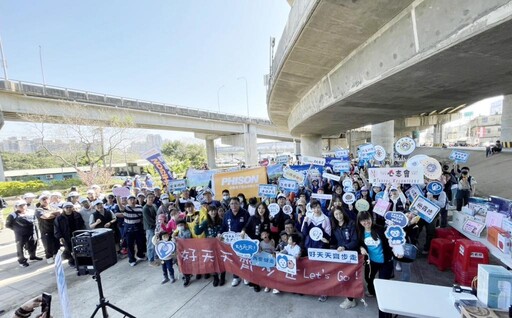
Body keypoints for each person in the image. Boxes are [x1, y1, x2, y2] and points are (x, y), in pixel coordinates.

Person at [357, 211, 400, 318]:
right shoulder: (360, 232)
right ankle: (372, 292)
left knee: (383, 286)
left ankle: (386, 312)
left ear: (371, 218)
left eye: (367, 219)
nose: (366, 222)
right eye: (363, 220)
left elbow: (394, 238)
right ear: (359, 222)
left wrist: (397, 251)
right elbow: (358, 243)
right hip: (371, 262)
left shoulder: (381, 229)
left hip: (385, 262)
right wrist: (361, 248)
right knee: (369, 278)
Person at [330, 207, 358, 309]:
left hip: (351, 255)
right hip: (341, 256)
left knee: (349, 277)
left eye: (340, 213)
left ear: (343, 213)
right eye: (336, 214)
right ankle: (350, 296)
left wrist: (345, 247)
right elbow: (334, 241)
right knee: (345, 277)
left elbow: (355, 241)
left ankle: (351, 300)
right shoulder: (335, 226)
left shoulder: (351, 224)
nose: (338, 216)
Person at [220, 197, 250, 287]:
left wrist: (244, 230)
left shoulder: (245, 213)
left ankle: (245, 276)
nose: (234, 205)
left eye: (236, 203)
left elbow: (248, 224)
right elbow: (224, 227)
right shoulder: (227, 214)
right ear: (229, 205)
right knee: (233, 260)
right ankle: (236, 277)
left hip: (242, 240)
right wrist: (219, 233)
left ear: (239, 204)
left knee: (244, 258)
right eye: (232, 203)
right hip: (231, 241)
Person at [194, 205, 224, 286]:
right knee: (212, 261)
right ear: (208, 212)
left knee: (221, 261)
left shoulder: (221, 220)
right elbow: (197, 232)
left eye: (214, 210)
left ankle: (223, 277)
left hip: (220, 245)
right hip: (210, 245)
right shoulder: (206, 222)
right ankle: (215, 277)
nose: (213, 212)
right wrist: (196, 223)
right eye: (211, 211)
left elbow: (224, 229)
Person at [6, 200, 41, 267]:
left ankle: (32, 256)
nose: (23, 207)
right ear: (16, 207)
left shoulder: (31, 212)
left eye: (24, 205)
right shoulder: (12, 215)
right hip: (20, 234)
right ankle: (22, 261)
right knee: (20, 247)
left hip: (32, 232)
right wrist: (16, 229)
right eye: (20, 206)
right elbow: (8, 225)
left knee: (33, 243)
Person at [118, 194, 146, 266]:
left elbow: (142, 217)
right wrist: (117, 198)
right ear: (127, 201)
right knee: (130, 245)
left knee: (140, 242)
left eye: (133, 199)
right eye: (130, 200)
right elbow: (121, 207)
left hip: (138, 227)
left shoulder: (140, 207)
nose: (132, 201)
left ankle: (140, 255)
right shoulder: (126, 208)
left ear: (136, 200)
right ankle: (132, 260)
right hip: (129, 229)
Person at [54, 202, 85, 267]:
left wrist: (83, 233)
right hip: (66, 236)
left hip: (77, 234)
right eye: (67, 207)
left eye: (70, 207)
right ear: (63, 209)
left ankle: (80, 261)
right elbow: (57, 228)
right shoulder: (59, 218)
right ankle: (71, 261)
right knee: (69, 249)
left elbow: (82, 224)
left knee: (79, 248)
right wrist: (60, 237)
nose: (68, 209)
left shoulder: (77, 215)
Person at [35, 195, 60, 264]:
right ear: (40, 201)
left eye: (46, 199)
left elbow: (60, 212)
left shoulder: (52, 207)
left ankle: (56, 255)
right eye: (43, 199)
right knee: (48, 245)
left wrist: (51, 214)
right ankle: (49, 257)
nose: (45, 200)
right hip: (45, 230)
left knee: (56, 244)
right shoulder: (39, 210)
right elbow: (45, 216)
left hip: (54, 229)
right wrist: (54, 214)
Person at [172, 219, 193, 286]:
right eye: (178, 225)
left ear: (184, 225)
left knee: (186, 264)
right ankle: (186, 274)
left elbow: (184, 239)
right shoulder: (178, 232)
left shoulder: (187, 232)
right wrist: (174, 239)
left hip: (187, 251)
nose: (180, 226)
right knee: (179, 263)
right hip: (180, 251)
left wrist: (176, 238)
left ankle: (187, 276)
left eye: (181, 225)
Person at [142, 193, 159, 266]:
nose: (151, 199)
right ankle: (151, 260)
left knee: (156, 243)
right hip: (150, 228)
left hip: (156, 227)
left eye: (152, 197)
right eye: (149, 197)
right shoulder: (145, 208)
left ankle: (156, 257)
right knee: (150, 244)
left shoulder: (154, 205)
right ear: (146, 198)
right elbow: (148, 220)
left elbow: (158, 215)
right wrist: (157, 224)